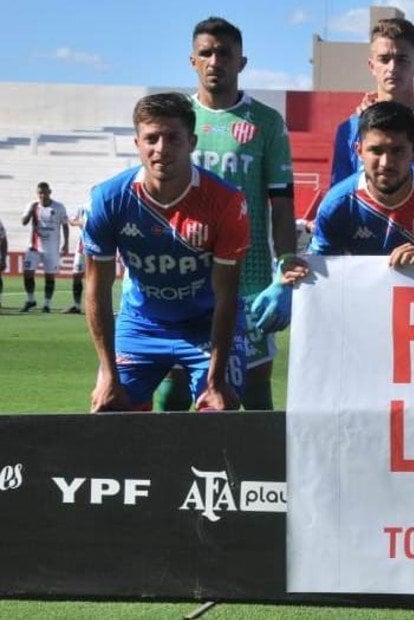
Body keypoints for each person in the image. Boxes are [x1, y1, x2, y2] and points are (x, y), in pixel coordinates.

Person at [153, 17, 300, 412]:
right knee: (177, 374)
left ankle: (263, 474)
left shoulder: (266, 122)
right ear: (192, 61)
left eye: (224, 53)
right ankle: (168, 471)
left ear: (242, 62)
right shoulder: (176, 120)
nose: (214, 60)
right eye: (206, 53)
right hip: (184, 274)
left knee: (252, 384)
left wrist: (284, 271)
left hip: (248, 277)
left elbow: (282, 206)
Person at [83, 93, 257, 412]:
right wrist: (108, 374)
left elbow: (227, 295)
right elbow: (96, 290)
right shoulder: (107, 200)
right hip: (141, 323)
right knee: (109, 411)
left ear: (191, 142)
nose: (161, 149)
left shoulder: (227, 202)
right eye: (151, 138)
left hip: (206, 326)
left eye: (173, 138)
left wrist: (216, 382)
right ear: (137, 143)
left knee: (219, 413)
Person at [310, 101, 414, 263]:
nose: (386, 163)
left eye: (397, 151)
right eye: (376, 150)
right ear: (359, 152)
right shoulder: (337, 203)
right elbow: (318, 271)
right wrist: (295, 269)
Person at [329, 17, 414, 194]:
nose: (392, 67)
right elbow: (339, 204)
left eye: (402, 59)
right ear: (371, 66)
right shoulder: (350, 130)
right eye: (384, 59)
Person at [19, 182, 69, 313]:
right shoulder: (33, 206)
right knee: (28, 272)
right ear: (37, 193)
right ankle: (31, 300)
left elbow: (65, 225)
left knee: (49, 276)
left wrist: (66, 244)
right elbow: (23, 222)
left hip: (51, 248)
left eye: (45, 192)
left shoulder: (59, 207)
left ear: (49, 192)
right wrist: (30, 211)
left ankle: (47, 304)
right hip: (34, 246)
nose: (42, 195)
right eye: (40, 193)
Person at [62, 206, 89, 314]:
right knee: (76, 275)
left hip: (98, 248)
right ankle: (77, 306)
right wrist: (81, 222)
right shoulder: (83, 208)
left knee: (97, 277)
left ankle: (100, 306)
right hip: (82, 247)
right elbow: (72, 221)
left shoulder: (103, 207)